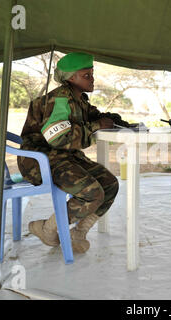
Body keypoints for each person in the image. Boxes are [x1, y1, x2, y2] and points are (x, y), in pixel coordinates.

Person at [17, 52, 130, 254]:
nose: (92, 78)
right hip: (41, 161)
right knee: (92, 193)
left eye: (92, 74)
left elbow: (93, 115)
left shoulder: (77, 99)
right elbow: (58, 138)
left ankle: (79, 232)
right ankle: (48, 228)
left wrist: (110, 119)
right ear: (71, 78)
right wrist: (96, 125)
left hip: (64, 158)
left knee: (110, 184)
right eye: (86, 75)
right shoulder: (59, 100)